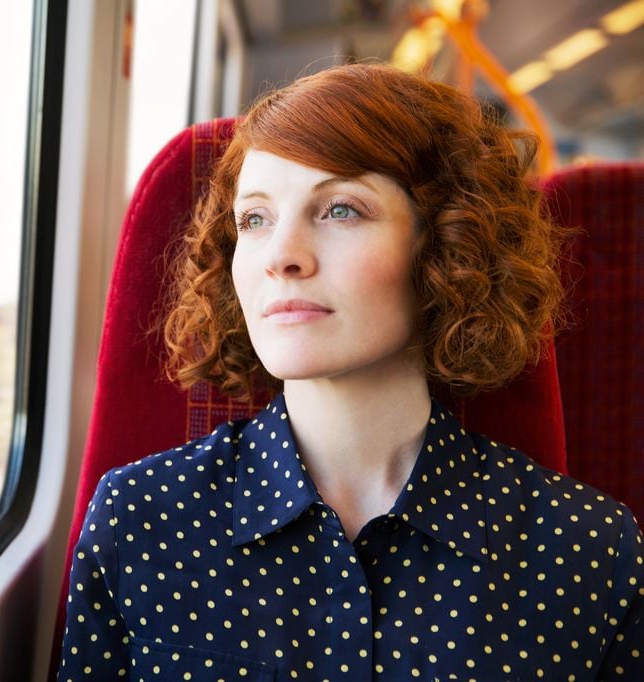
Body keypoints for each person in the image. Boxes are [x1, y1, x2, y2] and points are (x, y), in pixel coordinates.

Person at [56, 63, 643, 681]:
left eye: (339, 209)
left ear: (448, 247)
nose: (281, 255)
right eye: (254, 219)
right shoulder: (141, 519)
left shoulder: (586, 550)